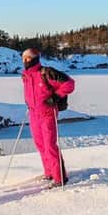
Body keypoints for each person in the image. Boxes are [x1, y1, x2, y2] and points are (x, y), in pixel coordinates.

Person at [21, 48, 75, 188]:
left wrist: (56, 97)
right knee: (40, 145)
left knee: (50, 145)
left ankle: (60, 178)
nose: (25, 61)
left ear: (35, 58)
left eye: (27, 58)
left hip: (47, 114)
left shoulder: (46, 72)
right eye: (23, 58)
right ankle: (49, 173)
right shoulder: (26, 76)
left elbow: (69, 83)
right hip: (33, 114)